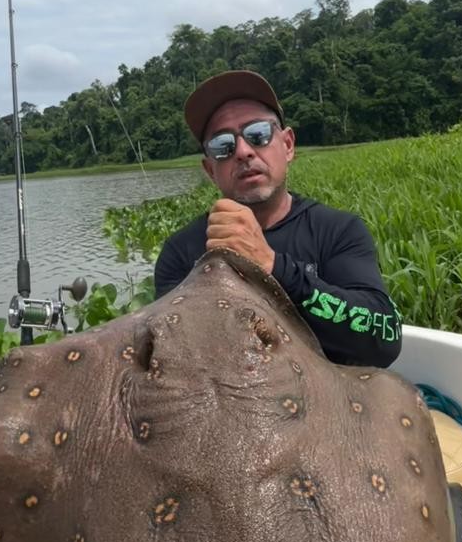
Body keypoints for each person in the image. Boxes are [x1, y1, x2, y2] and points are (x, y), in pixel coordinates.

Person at [154, 69, 402, 368]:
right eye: (223, 145)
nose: (243, 152)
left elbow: (384, 339)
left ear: (287, 145)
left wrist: (272, 266)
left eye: (257, 134)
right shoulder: (182, 250)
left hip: (334, 405)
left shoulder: (337, 230)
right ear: (210, 170)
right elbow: (172, 355)